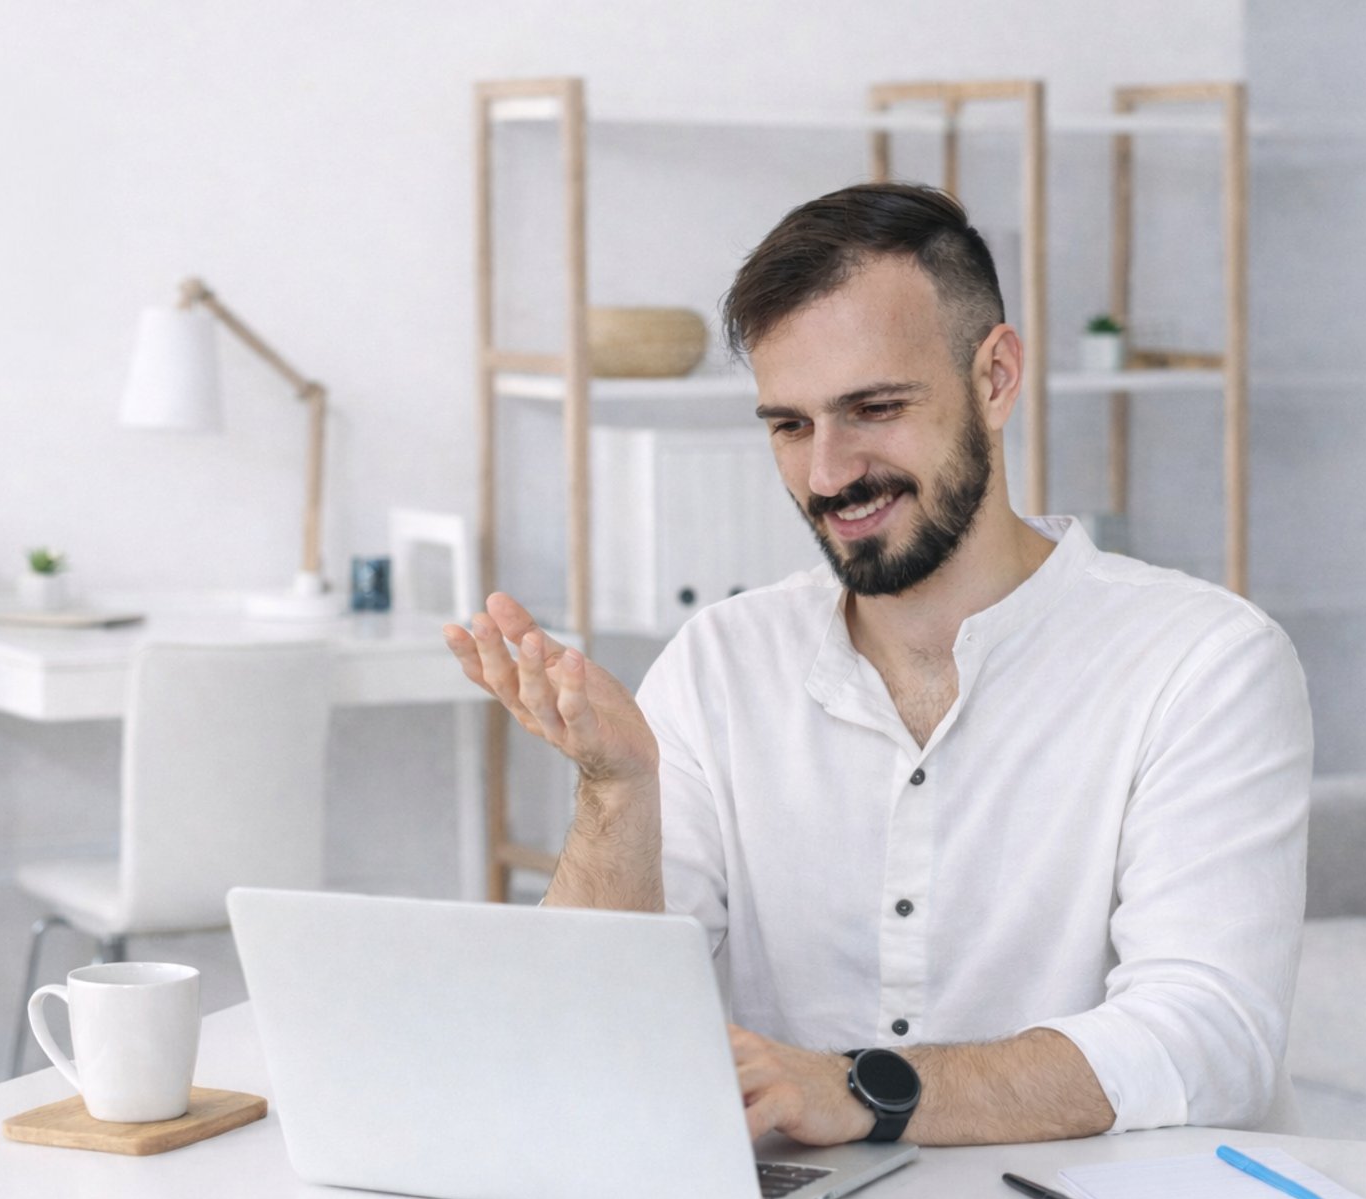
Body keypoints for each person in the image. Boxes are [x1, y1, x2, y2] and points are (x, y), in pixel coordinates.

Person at [443, 182, 1312, 1148]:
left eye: (874, 408)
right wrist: (617, 790)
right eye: (790, 425)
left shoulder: (1204, 664)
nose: (828, 473)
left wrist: (864, 1090)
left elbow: (1209, 1037)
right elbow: (582, 1030)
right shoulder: (720, 662)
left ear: (996, 378)